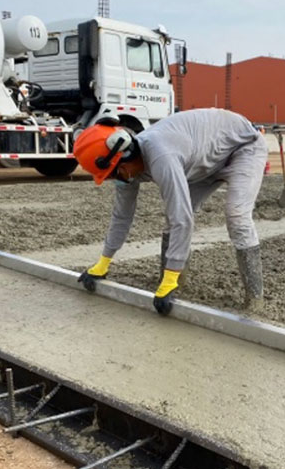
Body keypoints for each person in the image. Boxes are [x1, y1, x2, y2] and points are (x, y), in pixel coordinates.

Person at [73, 109, 267, 316]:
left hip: (242, 147)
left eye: (115, 175)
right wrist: (104, 262)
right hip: (204, 158)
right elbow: (122, 215)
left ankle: (255, 299)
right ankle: (176, 284)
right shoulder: (125, 169)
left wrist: (170, 276)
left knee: (236, 216)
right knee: (172, 216)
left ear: (126, 154)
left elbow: (182, 219)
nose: (117, 180)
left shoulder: (161, 156)